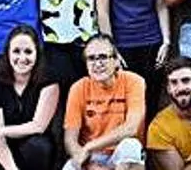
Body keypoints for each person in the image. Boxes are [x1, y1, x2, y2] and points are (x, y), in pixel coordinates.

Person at [0, 25, 59, 170]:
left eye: (28, 52)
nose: (22, 58)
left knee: (39, 146)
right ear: (8, 53)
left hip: (33, 145)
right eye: (16, 51)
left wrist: (1, 131)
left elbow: (38, 126)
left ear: (37, 53)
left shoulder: (48, 81)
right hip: (2, 147)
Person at [62, 33, 147, 170]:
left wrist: (89, 146)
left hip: (121, 153)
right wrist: (90, 165)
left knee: (131, 146)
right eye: (91, 58)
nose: (98, 64)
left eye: (103, 57)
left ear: (116, 61)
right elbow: (70, 140)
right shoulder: (78, 88)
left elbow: (131, 128)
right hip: (92, 157)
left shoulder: (134, 81)